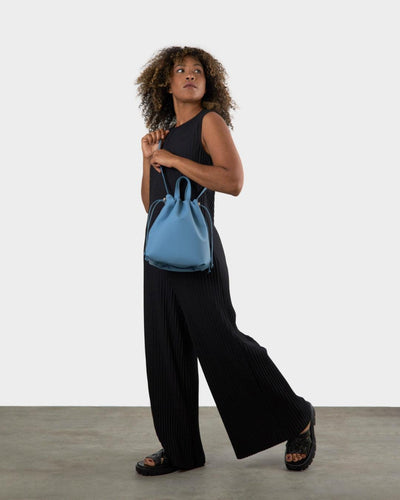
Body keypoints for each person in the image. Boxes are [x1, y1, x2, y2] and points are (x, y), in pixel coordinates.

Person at [134, 46, 316, 476]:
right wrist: (149, 160)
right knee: (164, 349)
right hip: (158, 254)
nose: (190, 75)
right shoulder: (162, 135)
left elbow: (233, 181)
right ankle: (179, 449)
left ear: (208, 81)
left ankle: (297, 416)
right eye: (181, 70)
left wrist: (173, 159)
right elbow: (151, 205)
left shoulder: (209, 122)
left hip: (198, 255)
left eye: (198, 70)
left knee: (221, 343)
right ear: (165, 83)